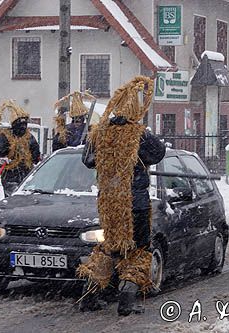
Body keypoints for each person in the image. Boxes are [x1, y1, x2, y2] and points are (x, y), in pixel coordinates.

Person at [78, 76, 166, 316]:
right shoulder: (139, 134)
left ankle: (89, 294)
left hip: (109, 205)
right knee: (139, 249)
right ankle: (127, 295)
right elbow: (158, 153)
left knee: (110, 247)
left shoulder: (100, 132)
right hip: (134, 204)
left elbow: (87, 160)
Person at [0, 100, 41, 197]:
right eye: (20, 125)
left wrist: (40, 160)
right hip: (10, 177)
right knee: (15, 199)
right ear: (14, 125)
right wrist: (0, 160)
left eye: (25, 124)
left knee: (27, 202)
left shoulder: (29, 138)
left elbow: (36, 156)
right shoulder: (3, 138)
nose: (23, 127)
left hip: (27, 177)